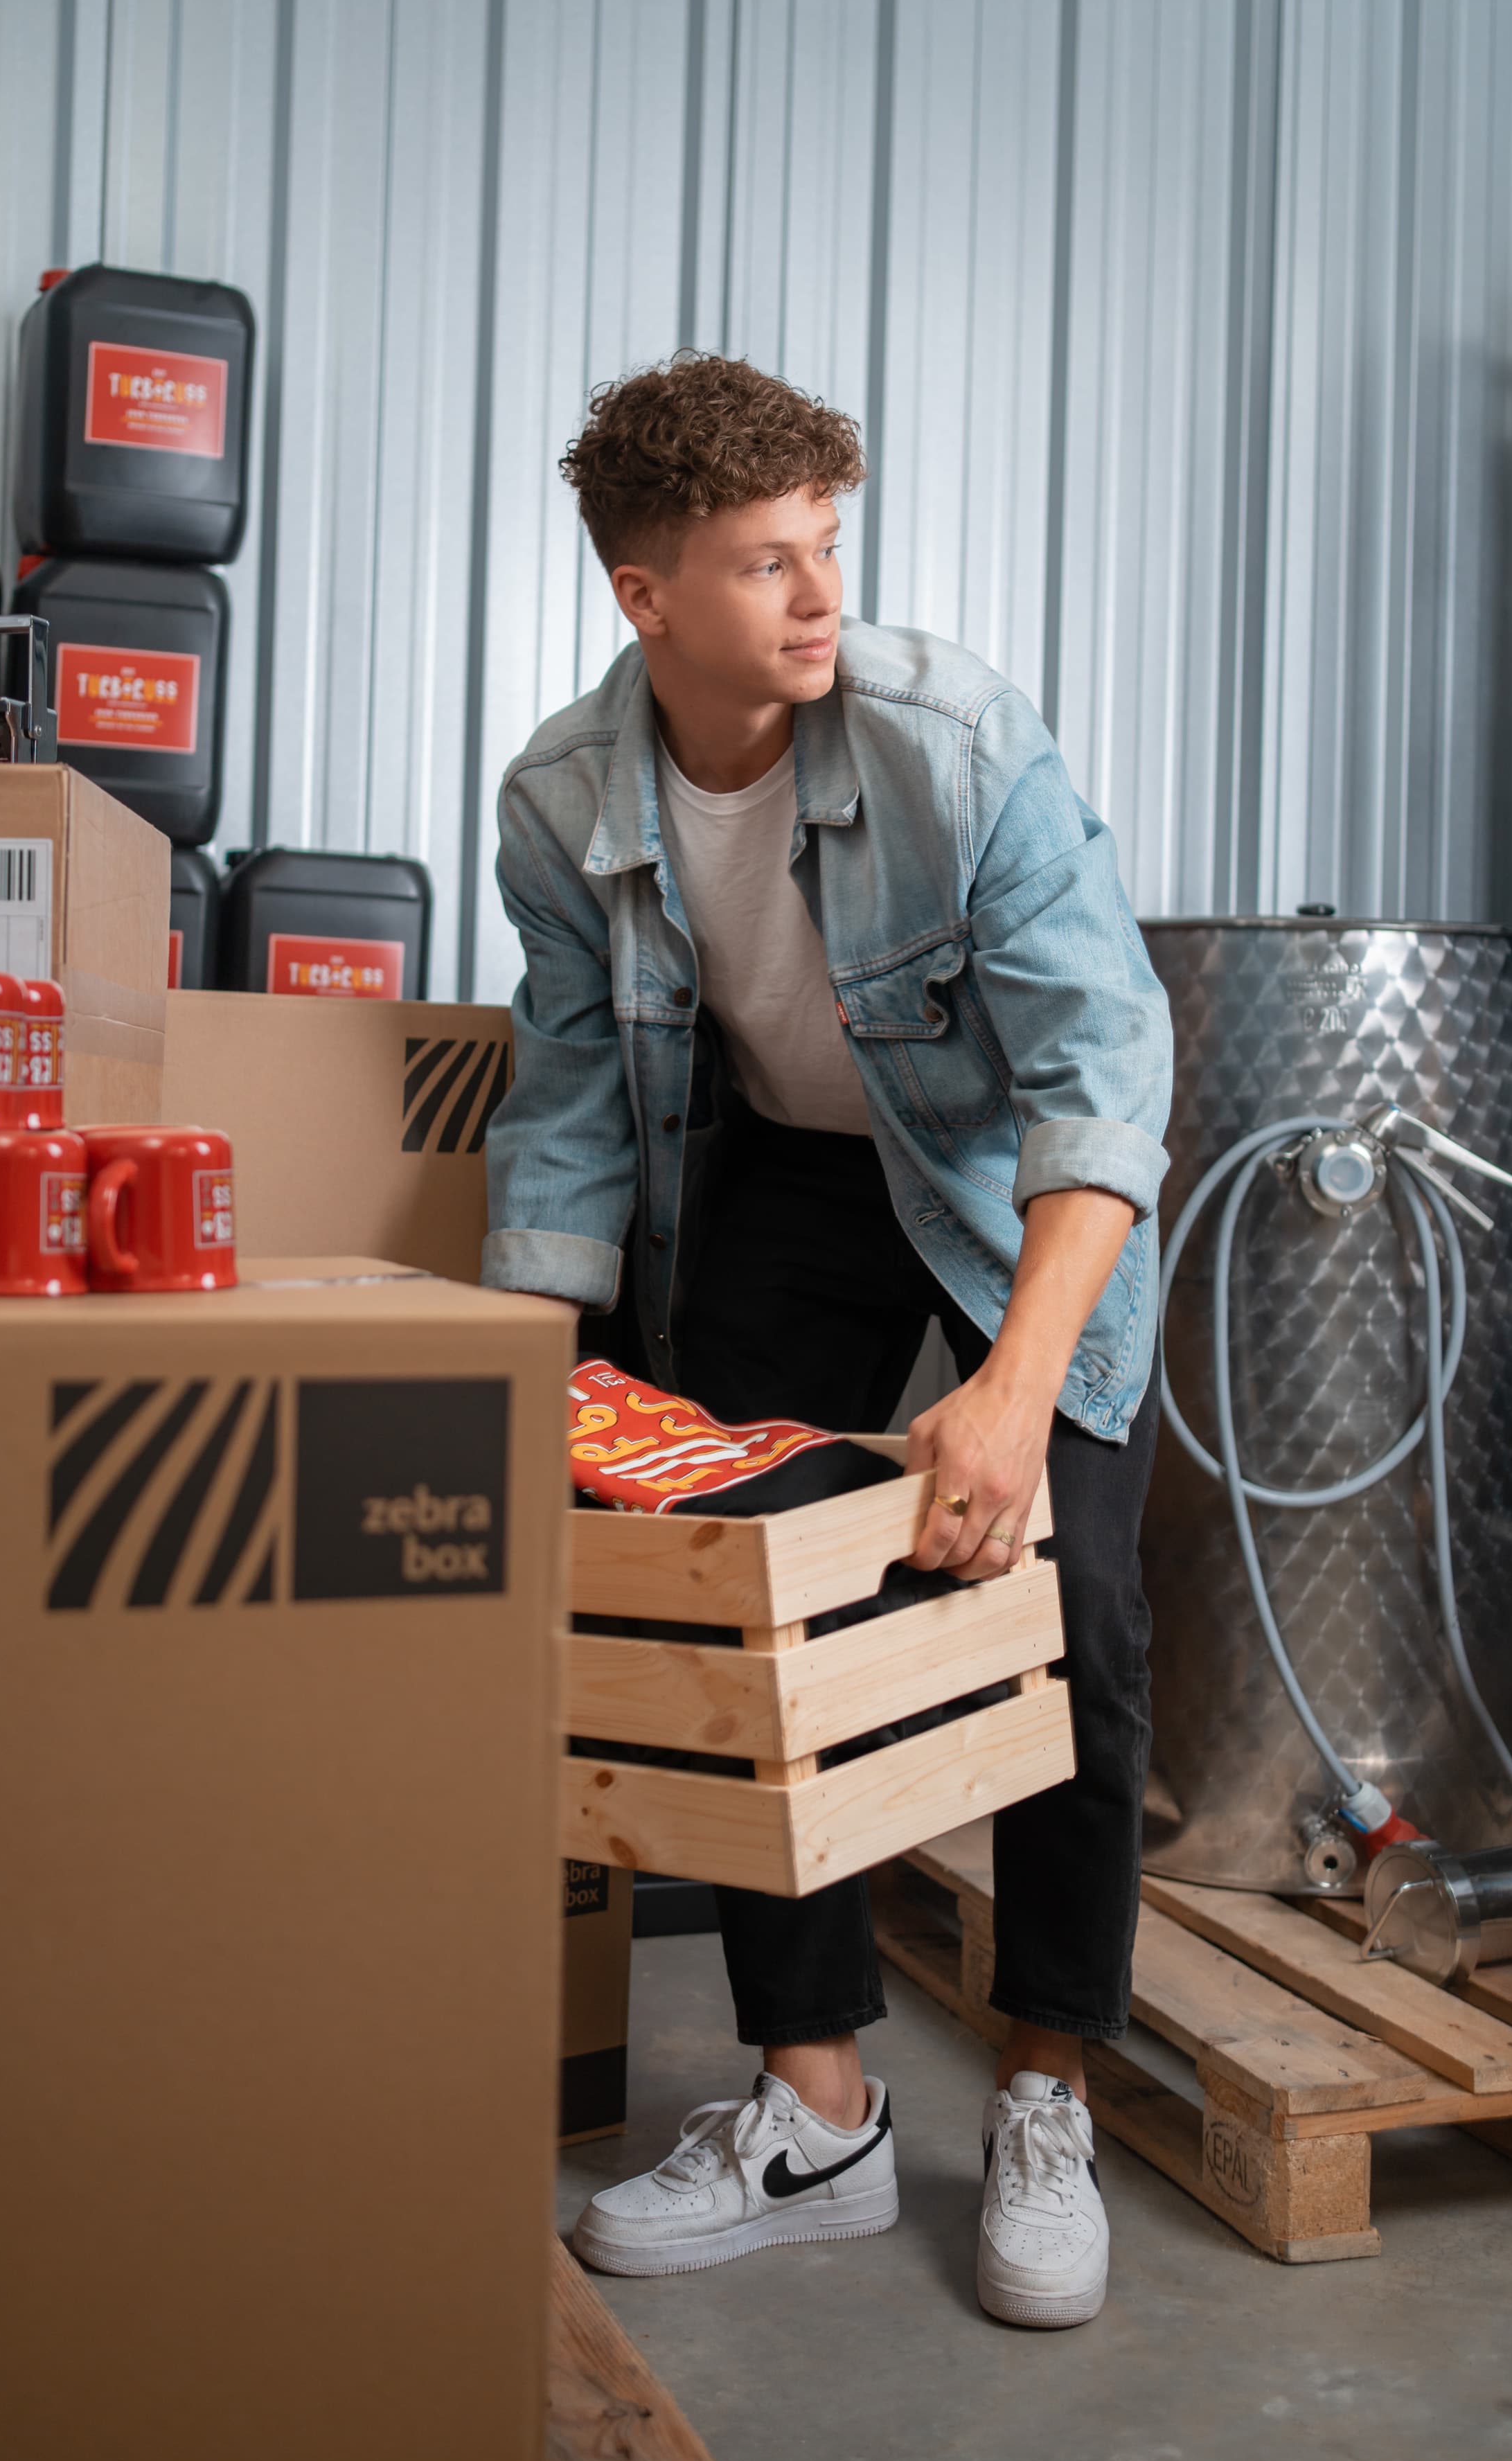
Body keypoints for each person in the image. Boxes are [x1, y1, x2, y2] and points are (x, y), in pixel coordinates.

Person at [483, 353, 1172, 2329]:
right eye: (769, 563)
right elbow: (561, 1104)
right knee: (732, 1605)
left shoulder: (955, 741)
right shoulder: (559, 794)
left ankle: (1047, 2086)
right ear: (645, 597)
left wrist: (1014, 1394)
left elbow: (1101, 1072)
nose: (816, 601)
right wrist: (540, 1387)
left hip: (1003, 1183)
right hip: (777, 1176)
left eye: (829, 549)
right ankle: (817, 2106)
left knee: (1074, 1616)